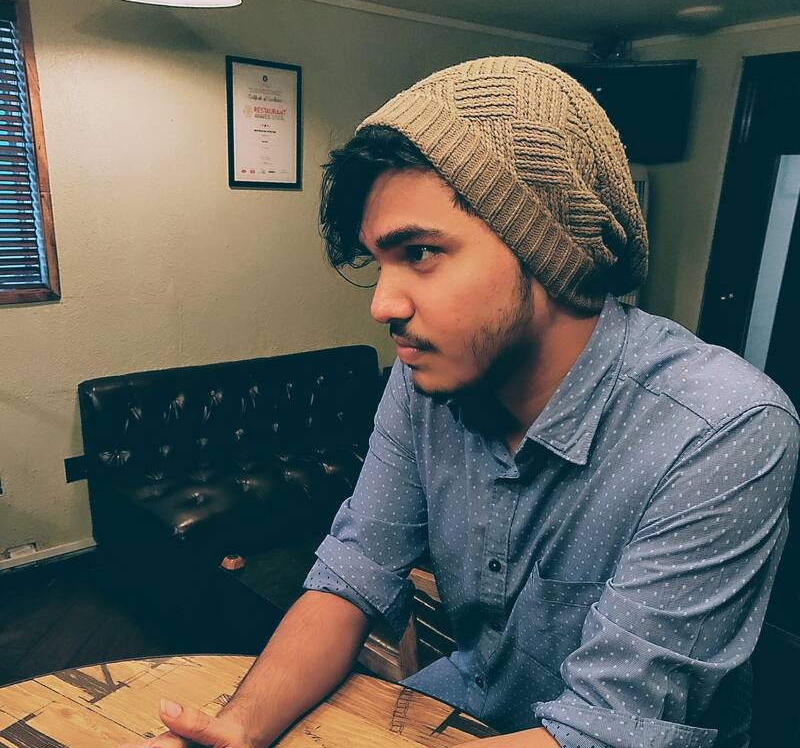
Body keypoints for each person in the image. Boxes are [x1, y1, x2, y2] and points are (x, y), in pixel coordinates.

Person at [127, 57, 799, 748]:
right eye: (379, 262)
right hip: (470, 699)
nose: (383, 305)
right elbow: (353, 574)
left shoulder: (724, 427)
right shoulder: (425, 380)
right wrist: (235, 730)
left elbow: (606, 732)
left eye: (420, 252)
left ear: (546, 246)